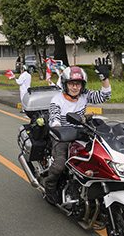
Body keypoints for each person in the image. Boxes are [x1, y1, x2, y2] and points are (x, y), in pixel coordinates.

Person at [43, 59, 112, 204]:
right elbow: (54, 120)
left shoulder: (84, 95)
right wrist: (59, 129)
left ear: (82, 85)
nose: (75, 87)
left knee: (96, 156)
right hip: (62, 135)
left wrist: (104, 78)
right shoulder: (57, 99)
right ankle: (49, 186)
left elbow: (104, 96)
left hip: (81, 132)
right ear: (65, 84)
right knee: (60, 164)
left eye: (78, 84)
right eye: (71, 83)